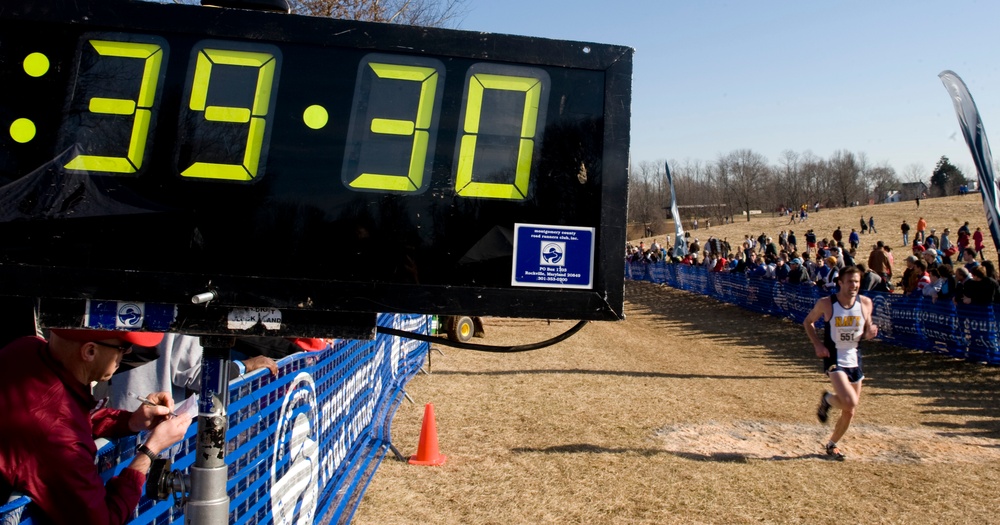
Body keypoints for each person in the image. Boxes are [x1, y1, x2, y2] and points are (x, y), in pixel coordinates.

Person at [0, 329, 192, 525]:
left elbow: (66, 412)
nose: (127, 353)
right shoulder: (62, 443)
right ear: (90, 352)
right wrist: (149, 452)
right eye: (123, 347)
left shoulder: (26, 348)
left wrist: (131, 421)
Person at [804, 266, 878, 461]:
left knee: (849, 411)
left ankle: (832, 444)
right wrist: (818, 344)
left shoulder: (865, 303)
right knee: (849, 401)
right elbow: (808, 322)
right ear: (840, 283)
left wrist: (870, 333)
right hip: (834, 356)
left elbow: (867, 328)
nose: (854, 285)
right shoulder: (827, 303)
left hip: (855, 357)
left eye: (857, 281)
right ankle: (828, 399)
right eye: (850, 281)